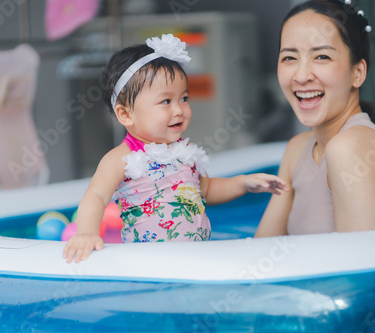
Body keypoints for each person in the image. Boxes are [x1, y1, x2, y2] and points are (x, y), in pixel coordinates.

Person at [63, 34, 288, 263]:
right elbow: (96, 196)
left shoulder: (185, 155)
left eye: (184, 98)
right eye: (166, 102)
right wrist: (87, 233)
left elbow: (207, 190)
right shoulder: (123, 157)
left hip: (196, 260)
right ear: (125, 114)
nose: (179, 110)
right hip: (148, 265)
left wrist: (243, 183)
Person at [256, 0, 375, 237]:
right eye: (289, 58)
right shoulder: (297, 149)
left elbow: (359, 271)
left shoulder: (349, 148)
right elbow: (260, 249)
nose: (301, 75)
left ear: (357, 73)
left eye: (321, 57)